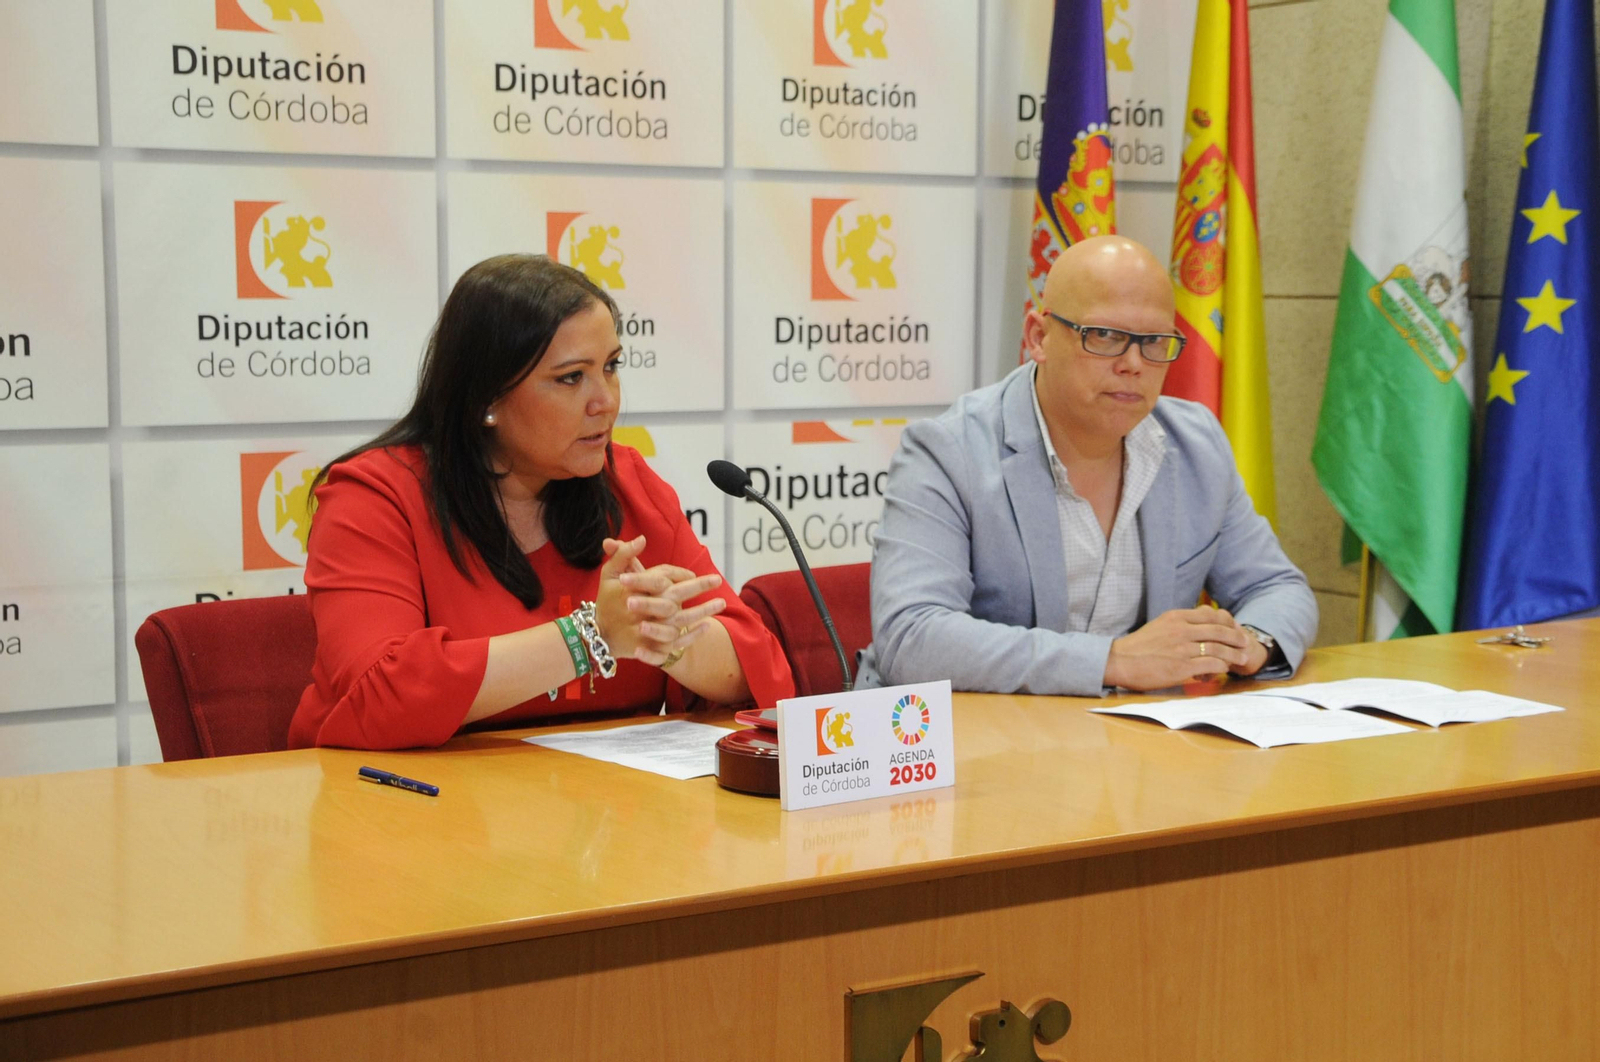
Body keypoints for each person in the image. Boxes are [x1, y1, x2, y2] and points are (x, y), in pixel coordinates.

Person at [289, 255, 794, 749]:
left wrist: (667, 639)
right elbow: (377, 693)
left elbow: (761, 676)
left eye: (611, 367)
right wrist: (589, 636)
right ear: (486, 398)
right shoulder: (373, 498)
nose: (607, 401)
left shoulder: (628, 485)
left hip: (603, 815)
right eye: (571, 377)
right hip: (407, 810)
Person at [857, 235, 1317, 695]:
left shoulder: (1195, 444)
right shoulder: (948, 451)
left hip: (1135, 742)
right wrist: (1112, 661)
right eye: (1106, 337)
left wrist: (1251, 642)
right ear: (1039, 337)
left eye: (1155, 342)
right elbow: (912, 636)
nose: (1134, 363)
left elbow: (1277, 587)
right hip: (979, 745)